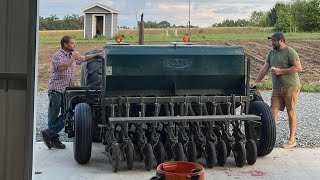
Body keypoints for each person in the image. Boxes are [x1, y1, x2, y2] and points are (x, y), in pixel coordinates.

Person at [41, 35, 102, 149]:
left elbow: (84, 58)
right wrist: (73, 58)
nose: (74, 45)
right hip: (56, 90)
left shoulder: (71, 55)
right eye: (72, 43)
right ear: (65, 45)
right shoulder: (58, 56)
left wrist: (96, 55)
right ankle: (54, 140)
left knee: (66, 114)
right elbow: (61, 67)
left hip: (66, 90)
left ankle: (48, 133)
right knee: (53, 117)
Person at [251, 32, 302, 149]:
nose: (272, 43)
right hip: (277, 88)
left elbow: (298, 68)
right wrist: (257, 81)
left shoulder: (290, 51)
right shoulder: (271, 53)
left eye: (274, 40)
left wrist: (281, 71)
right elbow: (265, 68)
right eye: (271, 40)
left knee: (291, 112)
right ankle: (271, 139)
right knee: (271, 112)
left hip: (291, 87)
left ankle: (292, 140)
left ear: (281, 41)